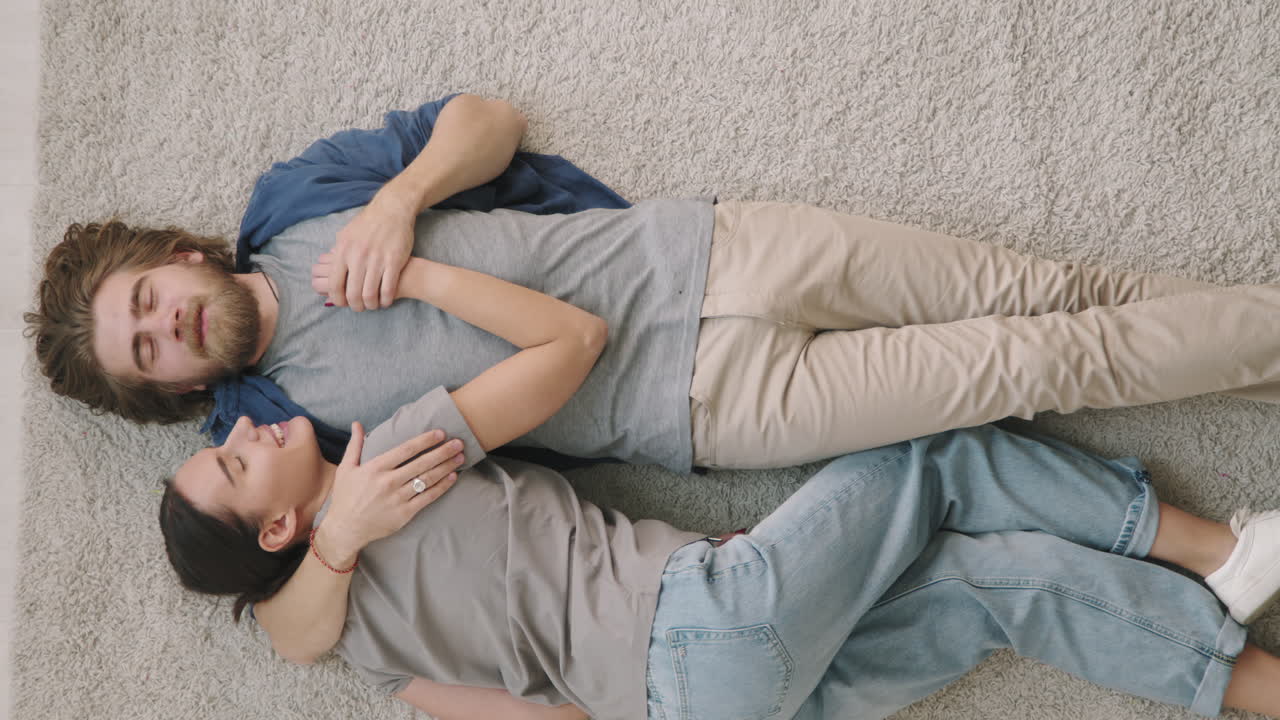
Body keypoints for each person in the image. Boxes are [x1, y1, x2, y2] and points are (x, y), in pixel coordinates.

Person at [25, 93, 1280, 473]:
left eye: (144, 300)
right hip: (711, 406)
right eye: (149, 354)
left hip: (713, 247)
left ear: (177, 257)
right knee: (1036, 362)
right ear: (172, 391)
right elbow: (292, 602)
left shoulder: (289, 202)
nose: (166, 326)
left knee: (1054, 287)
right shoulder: (269, 433)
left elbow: (485, 120)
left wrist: (401, 202)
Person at [161, 409, 1280, 718]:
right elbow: (563, 354)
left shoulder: (362, 653)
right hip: (700, 626)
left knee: (998, 589)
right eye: (231, 464)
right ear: (276, 533)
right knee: (927, 452)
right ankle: (1224, 553)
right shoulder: (391, 454)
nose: (243, 433)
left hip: (698, 699)